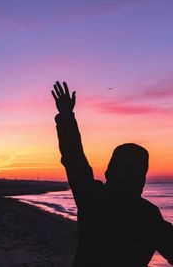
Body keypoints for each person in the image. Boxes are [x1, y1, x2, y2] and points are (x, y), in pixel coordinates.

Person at [51, 81, 173, 267]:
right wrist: (66, 118)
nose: (130, 173)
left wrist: (66, 117)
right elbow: (74, 159)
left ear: (143, 176)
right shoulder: (92, 196)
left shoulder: (149, 215)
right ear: (112, 169)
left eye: (135, 169)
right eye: (126, 167)